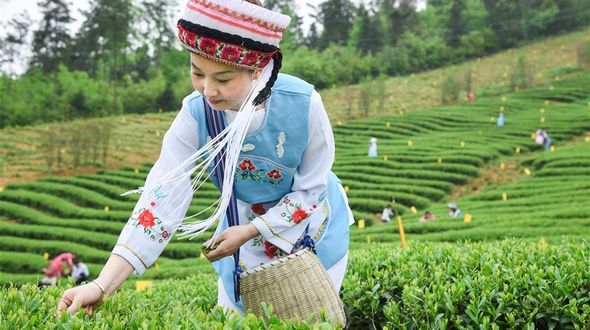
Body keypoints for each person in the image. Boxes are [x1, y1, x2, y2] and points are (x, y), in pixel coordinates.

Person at [57, 0, 354, 317]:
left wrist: (255, 230)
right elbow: (161, 198)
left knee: (310, 321)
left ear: (256, 69)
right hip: (241, 239)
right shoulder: (196, 114)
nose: (208, 90)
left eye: (223, 79)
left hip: (310, 231)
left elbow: (313, 188)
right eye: (197, 73)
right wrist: (102, 284)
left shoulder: (303, 103)